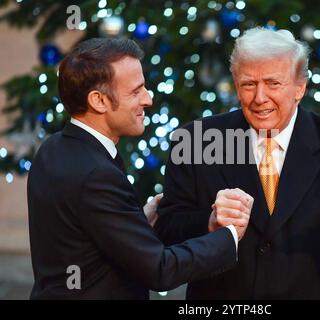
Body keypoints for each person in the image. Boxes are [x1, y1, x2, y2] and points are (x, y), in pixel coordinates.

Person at [154, 27, 320, 299]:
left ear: (299, 87)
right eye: (249, 84)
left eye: (273, 83)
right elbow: (168, 229)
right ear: (236, 85)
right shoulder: (195, 140)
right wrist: (211, 222)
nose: (260, 98)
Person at [27, 38, 254, 299]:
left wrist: (135, 221)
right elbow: (160, 270)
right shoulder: (97, 175)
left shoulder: (53, 148)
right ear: (98, 101)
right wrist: (228, 236)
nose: (148, 100)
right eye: (136, 92)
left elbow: (78, 234)